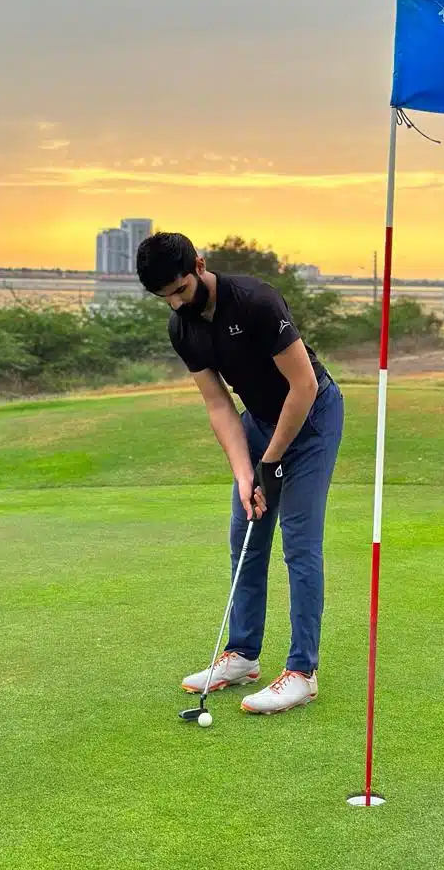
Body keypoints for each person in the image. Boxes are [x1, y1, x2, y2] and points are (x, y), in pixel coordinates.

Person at [136, 232, 344, 715]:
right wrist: (244, 472)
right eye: (163, 297)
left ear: (200, 266)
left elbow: (304, 385)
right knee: (246, 534)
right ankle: (244, 654)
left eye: (180, 291)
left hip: (311, 417)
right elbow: (219, 405)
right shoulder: (181, 328)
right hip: (258, 421)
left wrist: (270, 462)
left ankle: (302, 672)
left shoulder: (256, 302)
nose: (175, 303)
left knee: (299, 541)